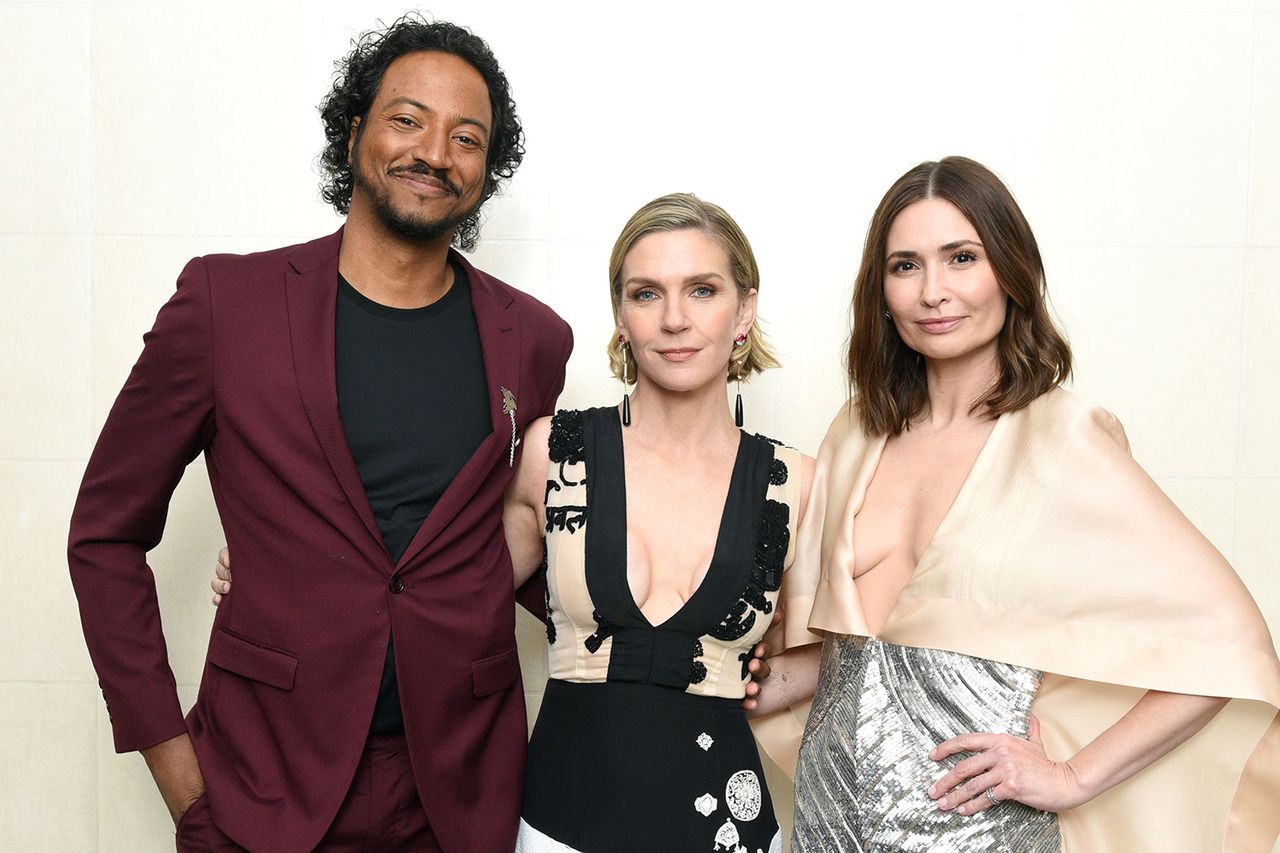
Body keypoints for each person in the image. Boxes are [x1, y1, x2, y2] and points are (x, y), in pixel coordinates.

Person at [67, 15, 571, 852]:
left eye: (467, 137)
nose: (435, 152)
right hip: (258, 790)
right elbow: (104, 535)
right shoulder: (225, 307)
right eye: (407, 120)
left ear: (486, 172)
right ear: (352, 135)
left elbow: (516, 542)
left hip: (460, 796)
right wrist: (177, 770)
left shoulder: (535, 338)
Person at [216, 192, 818, 852]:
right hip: (556, 827)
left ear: (744, 309)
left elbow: (843, 652)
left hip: (727, 831)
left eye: (702, 290)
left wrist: (757, 679)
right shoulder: (551, 454)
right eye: (647, 294)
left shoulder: (795, 484)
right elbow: (428, 589)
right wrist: (281, 560)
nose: (675, 318)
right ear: (621, 316)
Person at [754, 157, 1280, 851]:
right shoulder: (855, 432)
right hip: (829, 826)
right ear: (880, 290)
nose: (933, 291)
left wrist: (1072, 776)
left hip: (982, 834)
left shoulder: (1064, 439)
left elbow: (1227, 646)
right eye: (905, 265)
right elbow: (856, 654)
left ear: (1010, 270)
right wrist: (741, 673)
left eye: (961, 258)